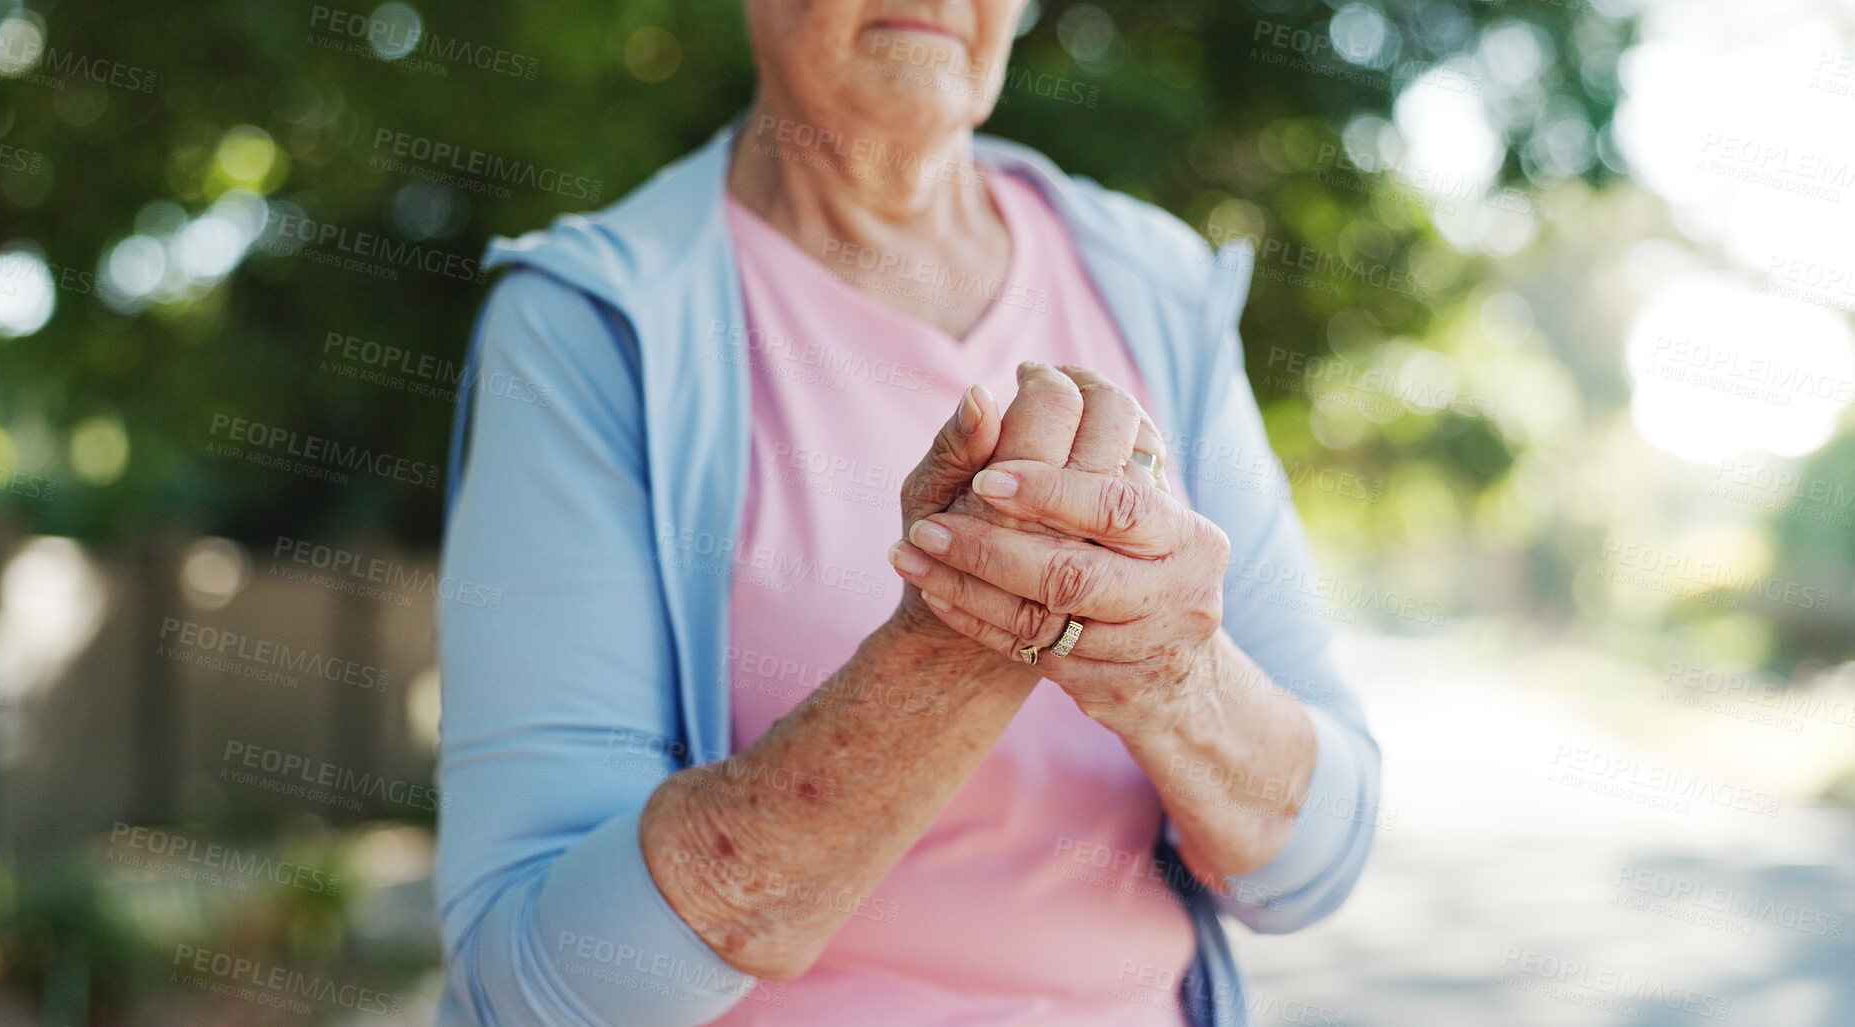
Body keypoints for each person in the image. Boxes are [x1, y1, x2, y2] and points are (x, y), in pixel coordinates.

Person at [433, 2, 1381, 1024]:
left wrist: (1168, 671)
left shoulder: (1156, 284)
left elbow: (1316, 861)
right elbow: (535, 980)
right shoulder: (595, 322)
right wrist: (955, 642)